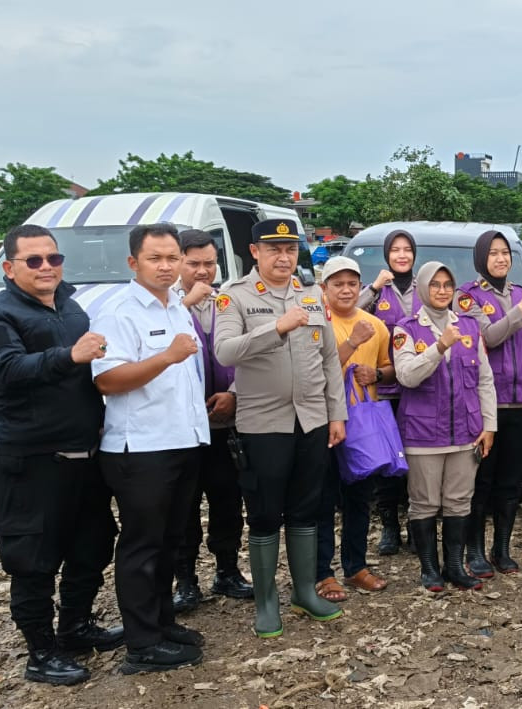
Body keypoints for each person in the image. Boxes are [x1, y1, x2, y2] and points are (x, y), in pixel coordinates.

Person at [0, 225, 122, 686]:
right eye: (33, 261)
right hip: (33, 460)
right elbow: (7, 369)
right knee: (33, 558)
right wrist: (69, 356)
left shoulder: (70, 306)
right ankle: (39, 652)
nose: (46, 268)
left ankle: (75, 627)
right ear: (10, 267)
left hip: (85, 454)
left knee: (93, 544)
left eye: (53, 259)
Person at [214, 218, 349, 638]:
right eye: (273, 249)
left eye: (290, 249)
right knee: (266, 511)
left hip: (310, 420)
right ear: (255, 252)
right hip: (263, 423)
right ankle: (266, 600)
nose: (283, 256)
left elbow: (328, 359)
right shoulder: (233, 297)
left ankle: (305, 591)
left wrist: (336, 413)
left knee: (307, 506)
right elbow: (224, 352)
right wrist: (276, 327)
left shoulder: (311, 295)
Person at [89, 223, 210, 674]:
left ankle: (161, 623)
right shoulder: (118, 312)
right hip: (140, 448)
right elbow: (106, 379)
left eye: (172, 258)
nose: (166, 266)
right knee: (142, 545)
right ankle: (141, 645)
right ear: (133, 262)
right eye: (155, 258)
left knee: (169, 541)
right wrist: (166, 356)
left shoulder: (177, 305)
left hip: (183, 439)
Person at [391, 261, 497, 592]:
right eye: (435, 285)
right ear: (423, 289)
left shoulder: (469, 326)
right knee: (423, 503)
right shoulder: (405, 329)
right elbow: (406, 376)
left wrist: (489, 424)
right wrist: (439, 347)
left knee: (459, 501)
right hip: (423, 435)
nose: (442, 291)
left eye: (447, 285)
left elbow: (485, 380)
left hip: (465, 433)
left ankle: (454, 566)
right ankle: (429, 569)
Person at [170, 230, 253, 614]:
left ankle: (227, 569)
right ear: (178, 263)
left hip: (225, 422)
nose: (202, 272)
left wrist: (234, 393)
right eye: (194, 264)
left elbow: (249, 354)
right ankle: (185, 580)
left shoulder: (229, 299)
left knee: (227, 499)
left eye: (209, 263)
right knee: (182, 505)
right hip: (181, 426)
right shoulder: (165, 303)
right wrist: (184, 304)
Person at [458, 231, 522, 577]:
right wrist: (519, 312)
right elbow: (489, 337)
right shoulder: (468, 297)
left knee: (511, 482)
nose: (500, 259)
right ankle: (475, 550)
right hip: (485, 406)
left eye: (505, 253)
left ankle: (502, 548)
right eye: (493, 253)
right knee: (482, 481)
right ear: (481, 259)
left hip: (520, 403)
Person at [315, 256, 393, 601]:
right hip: (321, 423)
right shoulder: (315, 323)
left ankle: (355, 567)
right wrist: (351, 345)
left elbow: (389, 367)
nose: (346, 290)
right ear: (324, 289)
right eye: (338, 284)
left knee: (359, 499)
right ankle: (321, 573)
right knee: (321, 500)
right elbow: (316, 372)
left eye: (352, 284)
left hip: (362, 425)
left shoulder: (376, 324)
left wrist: (375, 375)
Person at [360, 229, 419, 556]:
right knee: (387, 460)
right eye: (395, 250)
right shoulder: (377, 290)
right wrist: (374, 287)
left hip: (418, 388)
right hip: (383, 389)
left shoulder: (423, 286)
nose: (401, 255)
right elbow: (348, 311)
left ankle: (414, 524)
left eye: (407, 249)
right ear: (386, 256)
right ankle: (389, 527)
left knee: (414, 457)